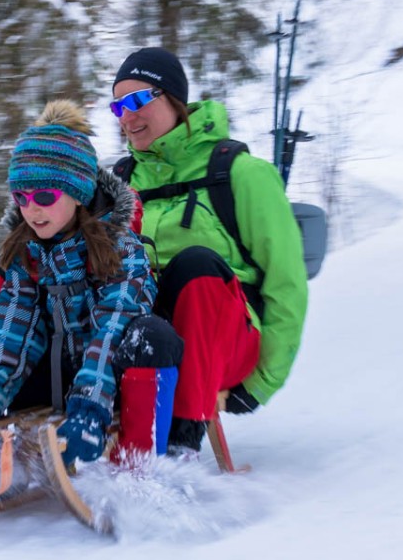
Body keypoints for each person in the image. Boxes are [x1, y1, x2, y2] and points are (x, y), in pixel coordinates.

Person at [0, 100, 182, 467]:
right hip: (43, 380)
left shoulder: (119, 249)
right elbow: (13, 327)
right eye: (21, 198)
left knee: (151, 335)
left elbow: (112, 329)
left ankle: (138, 465)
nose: (32, 210)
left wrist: (88, 405)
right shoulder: (24, 253)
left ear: (78, 192)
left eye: (44, 197)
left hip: (106, 386)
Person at [108, 46, 308, 453]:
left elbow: (287, 284)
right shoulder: (119, 182)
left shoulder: (240, 174)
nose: (127, 117)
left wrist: (259, 385)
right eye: (117, 107)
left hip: (229, 344)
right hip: (149, 337)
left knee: (194, 266)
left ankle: (181, 437)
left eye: (138, 100)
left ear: (174, 99)